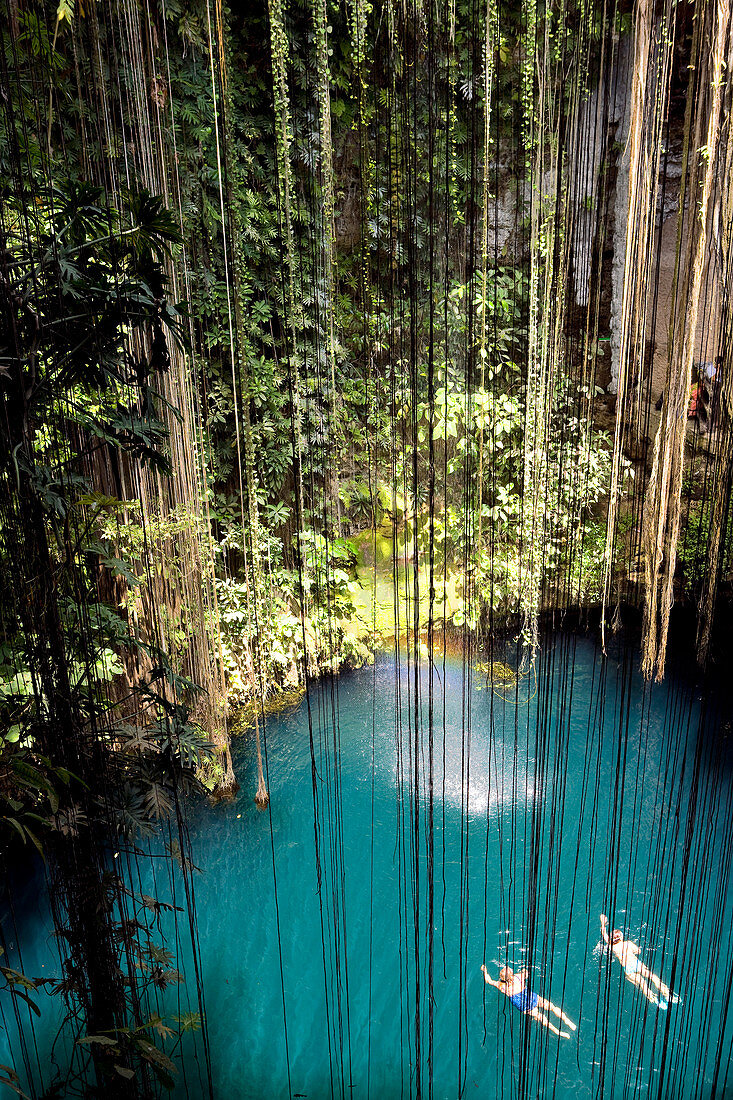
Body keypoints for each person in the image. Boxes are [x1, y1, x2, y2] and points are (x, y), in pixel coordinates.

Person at [599, 914, 679, 1008]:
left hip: (627, 968)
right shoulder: (628, 943)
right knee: (652, 977)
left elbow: (604, 933)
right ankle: (668, 994)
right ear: (621, 937)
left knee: (642, 983)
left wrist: (603, 923)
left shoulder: (612, 946)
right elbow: (638, 951)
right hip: (636, 964)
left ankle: (654, 999)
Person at [481, 963, 576, 1038]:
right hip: (530, 996)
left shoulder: (502, 986)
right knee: (552, 1007)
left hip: (522, 1004)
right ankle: (567, 1021)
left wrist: (485, 971)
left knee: (540, 1017)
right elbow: (526, 973)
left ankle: (558, 1032)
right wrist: (524, 971)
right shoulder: (518, 977)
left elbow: (488, 980)